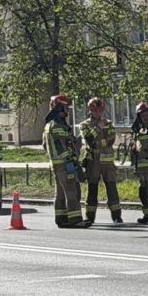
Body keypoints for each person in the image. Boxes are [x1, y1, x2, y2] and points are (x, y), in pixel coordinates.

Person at [42, 94, 86, 228]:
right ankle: (76, 219)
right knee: (71, 191)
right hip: (65, 163)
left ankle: (61, 218)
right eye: (66, 107)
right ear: (60, 108)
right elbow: (63, 146)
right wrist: (72, 160)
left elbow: (45, 145)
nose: (68, 110)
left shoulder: (50, 125)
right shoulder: (57, 126)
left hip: (56, 164)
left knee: (60, 193)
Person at [79, 97, 122, 224]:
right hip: (93, 162)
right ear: (90, 110)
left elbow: (111, 140)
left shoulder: (109, 124)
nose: (98, 113)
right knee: (92, 189)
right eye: (95, 110)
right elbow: (89, 140)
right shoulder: (84, 125)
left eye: (100, 110)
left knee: (112, 189)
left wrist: (98, 141)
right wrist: (98, 128)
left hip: (108, 163)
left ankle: (116, 216)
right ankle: (90, 216)